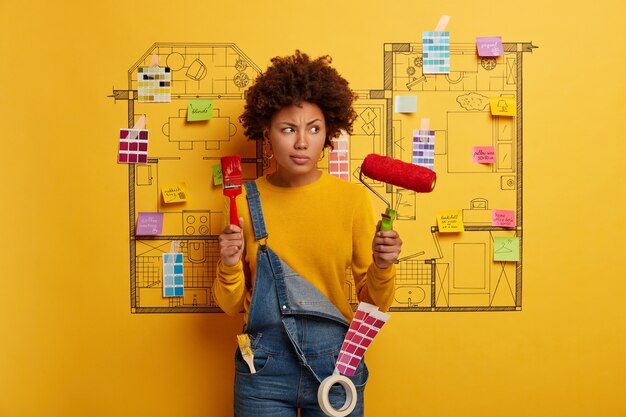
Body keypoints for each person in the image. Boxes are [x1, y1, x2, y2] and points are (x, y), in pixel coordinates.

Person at [215, 51, 402, 417]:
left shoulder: (351, 200)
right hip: (263, 370)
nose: (302, 142)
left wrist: (383, 265)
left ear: (327, 134)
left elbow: (375, 303)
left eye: (314, 129)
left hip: (336, 365)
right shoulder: (243, 201)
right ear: (266, 133)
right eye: (289, 129)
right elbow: (231, 305)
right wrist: (229, 263)